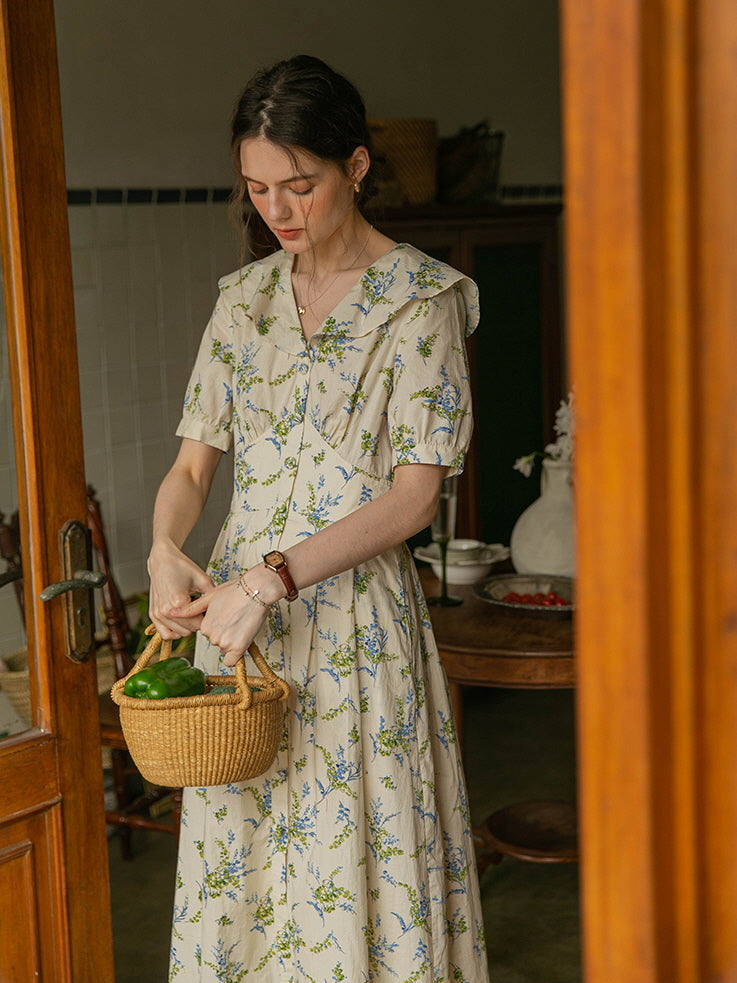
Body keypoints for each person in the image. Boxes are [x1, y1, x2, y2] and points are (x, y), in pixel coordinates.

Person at [148, 53, 490, 983]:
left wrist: (274, 576)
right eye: (258, 188)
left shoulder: (420, 302)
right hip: (239, 636)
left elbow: (416, 496)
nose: (278, 211)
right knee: (249, 878)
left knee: (355, 867)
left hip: (352, 634)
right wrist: (166, 547)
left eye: (300, 184)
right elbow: (190, 465)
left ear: (357, 166)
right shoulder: (242, 303)